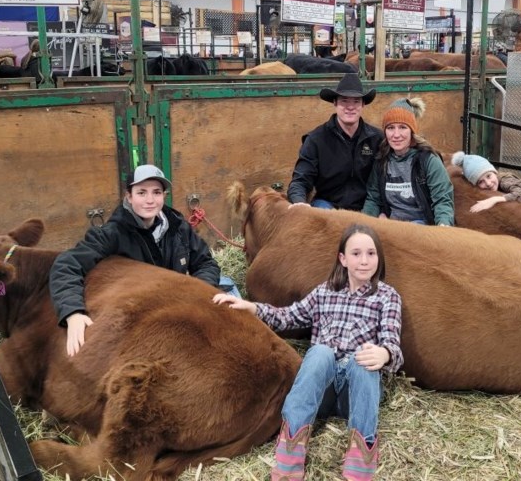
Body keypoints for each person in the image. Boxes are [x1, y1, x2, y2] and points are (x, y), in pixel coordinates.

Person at [213, 223, 402, 481]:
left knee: (364, 360)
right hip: (320, 390)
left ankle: (361, 458)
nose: (365, 261)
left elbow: (393, 344)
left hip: (356, 394)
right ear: (343, 259)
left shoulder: (387, 297)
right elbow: (288, 316)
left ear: (379, 259)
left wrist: (384, 354)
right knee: (321, 353)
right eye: (356, 254)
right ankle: (290, 452)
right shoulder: (326, 292)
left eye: (371, 253)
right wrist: (253, 308)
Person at [50, 164, 222, 357]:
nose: (150, 200)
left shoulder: (178, 227)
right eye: (141, 193)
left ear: (164, 196)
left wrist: (196, 295)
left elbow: (206, 263)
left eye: (156, 192)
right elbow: (66, 264)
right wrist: (73, 313)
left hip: (179, 308)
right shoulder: (112, 234)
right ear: (129, 196)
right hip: (135, 318)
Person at [287, 73, 384, 211]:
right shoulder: (316, 139)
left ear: (363, 104)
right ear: (335, 103)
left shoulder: (377, 138)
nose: (350, 107)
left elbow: (385, 180)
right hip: (328, 205)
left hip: (367, 206)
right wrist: (299, 201)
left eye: (356, 101)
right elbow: (301, 179)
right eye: (344, 101)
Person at [361, 97, 455, 226]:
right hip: (392, 225)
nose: (396, 134)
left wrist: (443, 226)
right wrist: (363, 225)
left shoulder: (428, 160)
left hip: (421, 226)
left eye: (403, 127)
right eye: (390, 128)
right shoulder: (381, 161)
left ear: (412, 131)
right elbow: (373, 199)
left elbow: (442, 199)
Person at [450, 151, 521, 210]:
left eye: (488, 176)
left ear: (494, 171)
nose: (488, 183)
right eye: (480, 182)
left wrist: (494, 199)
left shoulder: (505, 181)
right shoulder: (493, 182)